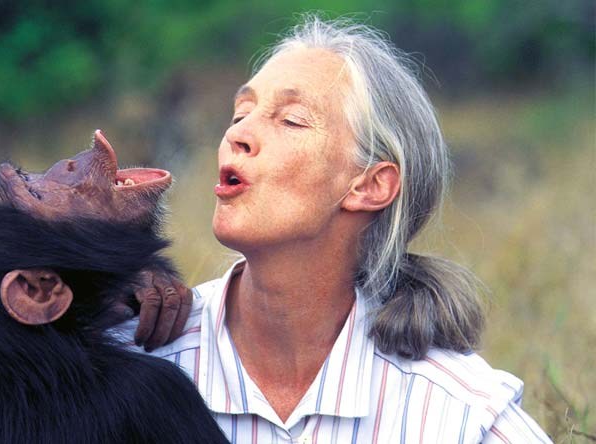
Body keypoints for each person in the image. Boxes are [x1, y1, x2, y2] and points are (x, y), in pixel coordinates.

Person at [120, 16, 552, 443]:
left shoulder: (459, 414)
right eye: (240, 113)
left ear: (369, 185)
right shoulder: (128, 359)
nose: (238, 134)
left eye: (291, 120)